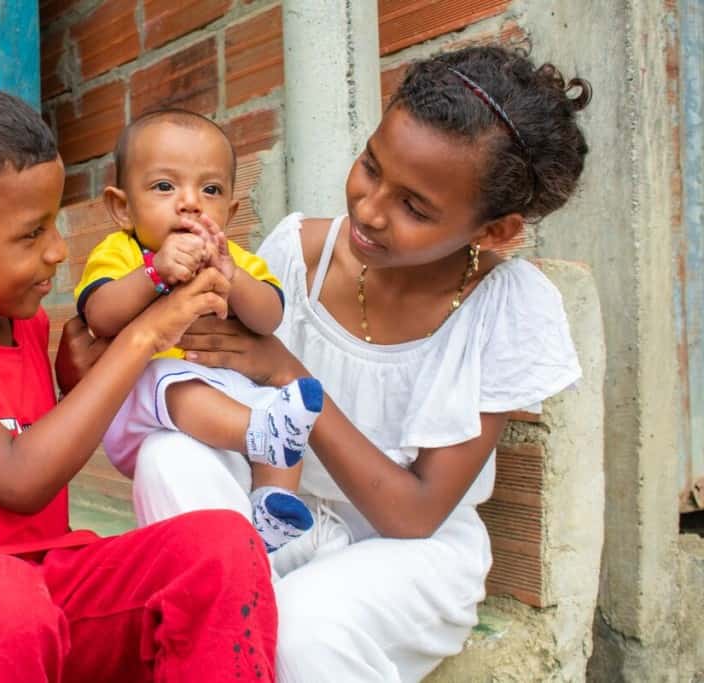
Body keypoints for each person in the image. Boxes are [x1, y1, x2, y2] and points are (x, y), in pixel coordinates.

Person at [57, 46, 591, 682]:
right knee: (166, 457)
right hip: (280, 511)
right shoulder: (298, 251)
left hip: (409, 554)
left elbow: (414, 514)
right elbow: (179, 364)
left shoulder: (509, 309)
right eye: (370, 165)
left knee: (298, 635)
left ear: (495, 232)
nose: (368, 208)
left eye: (414, 207)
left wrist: (289, 373)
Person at [0, 80, 277, 683]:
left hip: (50, 581)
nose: (59, 252)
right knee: (1, 598)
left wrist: (69, 384)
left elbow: (22, 432)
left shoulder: (27, 325)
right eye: (30, 234)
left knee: (218, 545)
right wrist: (145, 335)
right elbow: (18, 478)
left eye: (55, 225)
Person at [75, 109, 321, 552]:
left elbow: (268, 320)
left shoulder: (235, 258)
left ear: (228, 211)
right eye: (165, 186)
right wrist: (155, 273)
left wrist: (235, 278)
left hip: (226, 407)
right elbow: (100, 315)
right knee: (165, 378)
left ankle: (271, 503)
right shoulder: (122, 252)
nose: (190, 202)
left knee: (283, 405)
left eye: (210, 190)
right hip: (146, 409)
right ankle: (260, 434)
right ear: (122, 207)